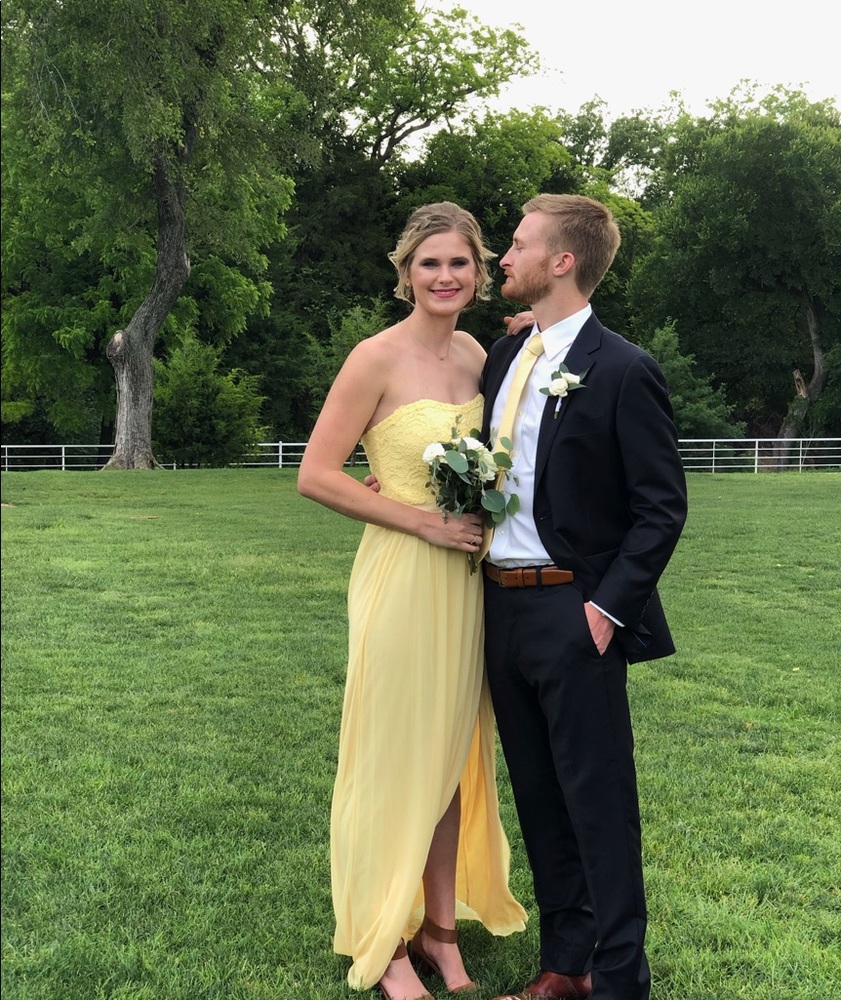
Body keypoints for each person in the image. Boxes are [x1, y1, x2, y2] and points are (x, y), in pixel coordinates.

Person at [297, 202, 528, 1000]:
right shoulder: (374, 358)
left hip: (470, 585)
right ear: (406, 273)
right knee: (396, 757)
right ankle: (388, 940)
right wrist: (421, 522)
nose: (444, 276)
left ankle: (440, 932)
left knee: (449, 759)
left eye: (458, 263)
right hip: (403, 574)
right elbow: (316, 474)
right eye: (429, 263)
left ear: (477, 271)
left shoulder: (480, 355)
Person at [480, 195, 688, 1000]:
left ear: (562, 262)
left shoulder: (625, 369)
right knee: (537, 795)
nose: (504, 256)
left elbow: (661, 507)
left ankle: (618, 982)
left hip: (577, 612)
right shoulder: (506, 358)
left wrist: (605, 612)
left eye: (518, 244)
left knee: (597, 804)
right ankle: (564, 968)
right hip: (499, 609)